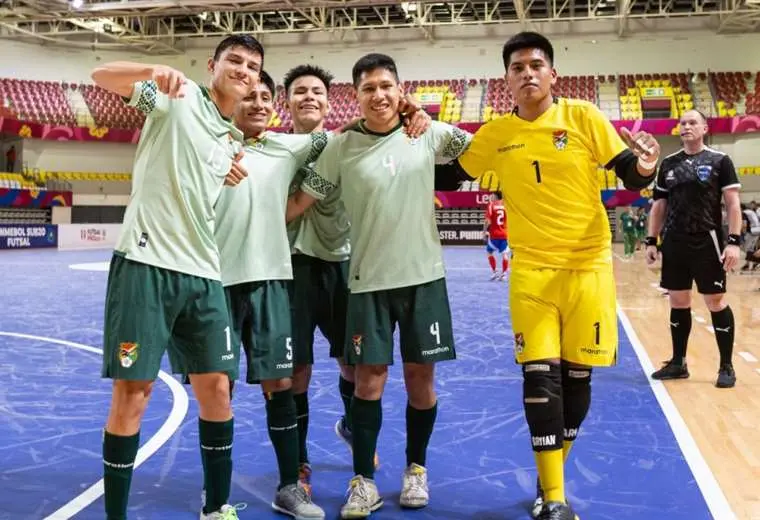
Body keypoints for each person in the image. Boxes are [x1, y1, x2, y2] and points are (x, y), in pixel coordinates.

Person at [450, 32, 660, 520]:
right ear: (506, 78)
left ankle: (550, 481)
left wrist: (647, 164)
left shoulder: (584, 117)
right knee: (540, 380)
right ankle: (556, 502)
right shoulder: (496, 133)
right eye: (518, 66)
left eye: (536, 64)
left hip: (588, 269)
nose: (527, 73)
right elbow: (449, 173)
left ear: (553, 74)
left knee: (577, 384)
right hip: (532, 274)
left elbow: (629, 170)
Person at [287, 53, 471, 519]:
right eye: (368, 88)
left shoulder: (427, 133)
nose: (379, 95)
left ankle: (416, 470)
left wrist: (426, 115)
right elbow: (299, 201)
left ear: (399, 89)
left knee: (419, 379)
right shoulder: (340, 146)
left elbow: (476, 151)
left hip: (424, 278)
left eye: (386, 85)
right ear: (357, 96)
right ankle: (362, 482)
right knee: (368, 381)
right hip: (366, 281)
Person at [92, 34, 264, 520]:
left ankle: (217, 507)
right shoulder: (178, 95)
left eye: (252, 65)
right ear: (213, 64)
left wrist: (224, 166)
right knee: (134, 393)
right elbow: (101, 76)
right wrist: (152, 72)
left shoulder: (232, 137)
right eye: (235, 59)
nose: (244, 70)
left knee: (218, 390)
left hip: (204, 274)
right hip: (146, 266)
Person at [214, 71, 329, 519]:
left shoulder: (287, 146)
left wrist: (409, 114)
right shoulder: (209, 143)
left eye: (265, 96)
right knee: (216, 390)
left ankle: (289, 487)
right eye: (249, 96)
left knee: (279, 384)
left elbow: (336, 140)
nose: (258, 103)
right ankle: (215, 496)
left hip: (271, 282)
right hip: (215, 284)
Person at [645, 108, 741, 389]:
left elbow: (733, 204)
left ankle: (726, 365)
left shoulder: (720, 161)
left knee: (715, 300)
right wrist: (652, 240)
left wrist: (733, 242)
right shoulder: (668, 164)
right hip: (674, 241)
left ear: (704, 128)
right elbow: (659, 205)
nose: (686, 126)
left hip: (706, 239)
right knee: (678, 301)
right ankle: (678, 363)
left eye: (692, 122)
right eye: (682, 123)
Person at [484, 190, 510, 280]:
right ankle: (504, 274)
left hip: (494, 234)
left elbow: (487, 221)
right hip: (504, 234)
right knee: (505, 254)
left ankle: (495, 272)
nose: (491, 197)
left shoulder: (491, 205)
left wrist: (484, 231)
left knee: (489, 252)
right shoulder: (505, 206)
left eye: (492, 195)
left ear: (495, 196)